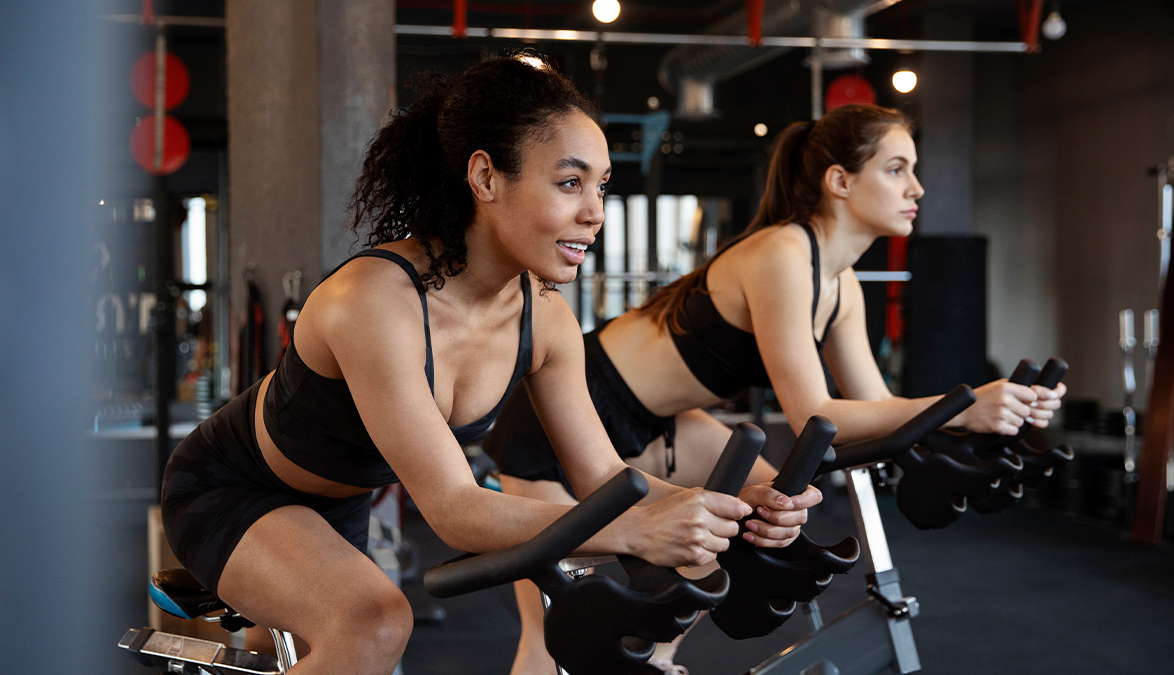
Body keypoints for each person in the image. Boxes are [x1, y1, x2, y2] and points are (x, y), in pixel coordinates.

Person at [160, 55, 788, 675]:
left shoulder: (546, 319)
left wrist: (727, 506)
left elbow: (602, 476)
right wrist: (634, 532)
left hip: (341, 505)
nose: (595, 212)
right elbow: (455, 509)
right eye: (570, 183)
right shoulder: (374, 303)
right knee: (374, 625)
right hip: (231, 490)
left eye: (600, 187)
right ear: (486, 178)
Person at [483, 103, 1067, 674]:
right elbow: (812, 411)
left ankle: (658, 654)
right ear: (839, 180)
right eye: (897, 169)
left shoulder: (841, 286)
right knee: (557, 637)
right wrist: (962, 408)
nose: (916, 188)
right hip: (567, 408)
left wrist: (987, 413)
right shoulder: (783, 253)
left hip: (660, 420)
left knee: (767, 510)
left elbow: (873, 412)